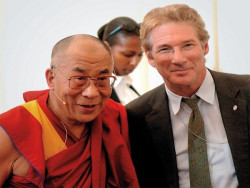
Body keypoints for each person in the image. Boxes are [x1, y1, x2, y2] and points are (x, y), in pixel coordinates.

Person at [126, 4, 250, 188]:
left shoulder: (246, 92)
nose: (178, 58)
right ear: (150, 57)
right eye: (165, 49)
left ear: (205, 46)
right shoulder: (137, 115)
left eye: (188, 45)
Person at [0, 34, 139, 187]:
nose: (91, 93)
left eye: (102, 79)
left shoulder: (114, 117)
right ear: (51, 78)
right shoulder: (11, 131)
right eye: (79, 79)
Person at [97, 16, 143, 105]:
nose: (134, 62)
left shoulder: (128, 88)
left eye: (140, 55)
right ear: (106, 48)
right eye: (128, 55)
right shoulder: (93, 91)